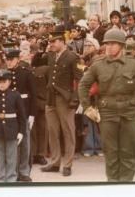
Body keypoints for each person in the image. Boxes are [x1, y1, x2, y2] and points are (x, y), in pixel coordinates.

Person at [78, 29, 135, 181]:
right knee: (111, 154)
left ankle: (126, 187)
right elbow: (83, 85)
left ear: (122, 46)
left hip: (129, 114)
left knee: (128, 153)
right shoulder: (98, 65)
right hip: (107, 114)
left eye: (113, 44)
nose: (109, 47)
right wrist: (87, 108)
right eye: (107, 44)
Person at [41, 28, 83, 177]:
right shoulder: (51, 56)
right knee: (52, 130)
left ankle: (68, 164)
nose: (50, 44)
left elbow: (80, 79)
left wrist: (76, 98)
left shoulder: (72, 57)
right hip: (51, 97)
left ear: (61, 41)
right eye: (50, 41)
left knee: (68, 131)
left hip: (65, 99)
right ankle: (55, 161)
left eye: (53, 41)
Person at [0, 69, 27, 182]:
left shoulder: (16, 95)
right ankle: (1, 179)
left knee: (11, 157)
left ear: (9, 82)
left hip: (12, 130)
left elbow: (22, 116)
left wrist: (21, 132)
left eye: (4, 82)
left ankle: (11, 179)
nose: (2, 84)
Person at [4, 47, 37, 181]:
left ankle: (24, 172)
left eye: (11, 59)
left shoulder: (26, 73)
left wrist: (32, 115)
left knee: (25, 144)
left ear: (17, 59)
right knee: (11, 143)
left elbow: (33, 95)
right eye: (7, 60)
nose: (9, 62)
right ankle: (13, 170)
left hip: (24, 112)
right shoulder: (3, 74)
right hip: (10, 113)